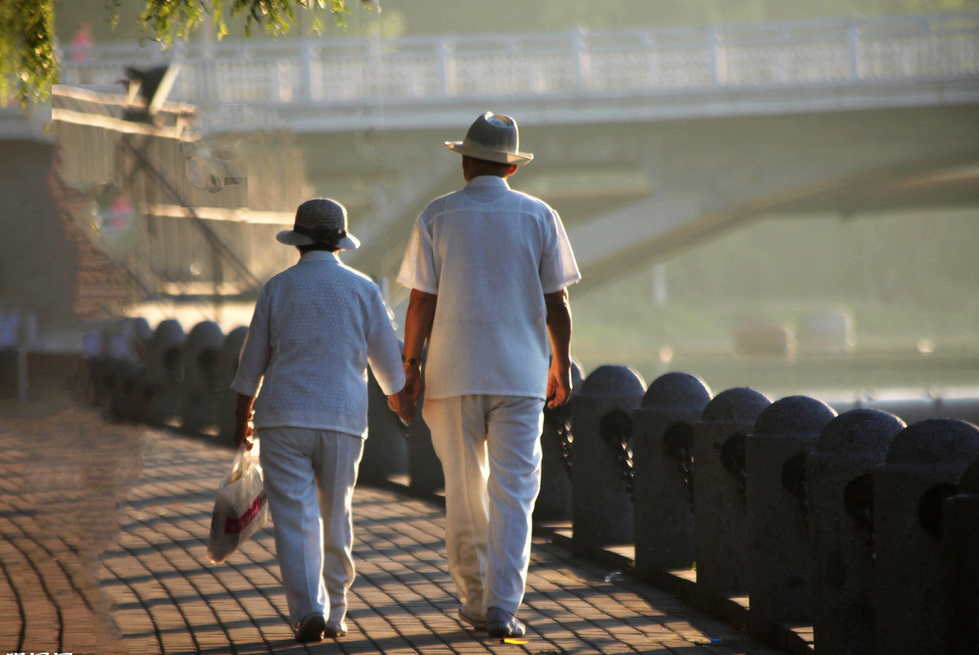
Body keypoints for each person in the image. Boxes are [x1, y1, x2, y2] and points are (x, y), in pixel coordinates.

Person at [397, 112, 580, 638]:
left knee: (464, 490)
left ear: (466, 163)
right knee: (515, 494)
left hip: (451, 376)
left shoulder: (437, 215)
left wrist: (411, 367)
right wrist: (559, 363)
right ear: (512, 169)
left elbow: (419, 303)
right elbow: (557, 302)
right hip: (521, 377)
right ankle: (502, 606)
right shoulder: (540, 216)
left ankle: (473, 600)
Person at [231, 198, 412, 643]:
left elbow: (250, 363)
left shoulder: (277, 287)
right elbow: (390, 371)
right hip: (342, 420)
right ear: (340, 243)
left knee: (295, 518)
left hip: (283, 417)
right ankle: (337, 610)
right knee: (336, 515)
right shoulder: (364, 289)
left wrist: (242, 418)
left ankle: (307, 609)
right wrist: (400, 401)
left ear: (298, 241)